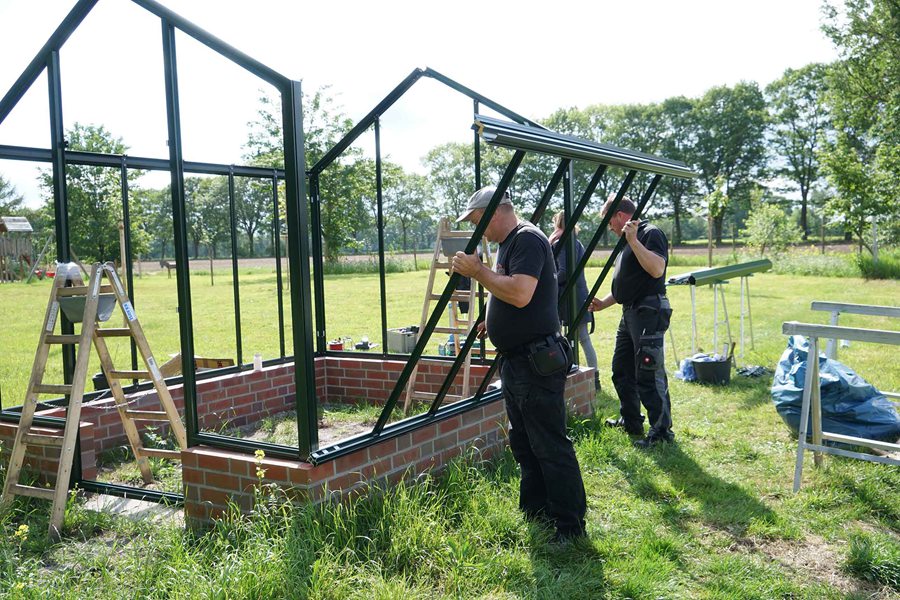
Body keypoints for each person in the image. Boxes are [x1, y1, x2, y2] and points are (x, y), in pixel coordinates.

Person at [452, 186, 587, 541]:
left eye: (478, 221)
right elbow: (507, 292)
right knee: (524, 442)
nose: (477, 230)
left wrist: (478, 271)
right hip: (518, 361)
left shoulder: (526, 238)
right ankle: (536, 512)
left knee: (549, 444)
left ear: (497, 211)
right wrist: (490, 318)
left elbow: (521, 292)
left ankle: (569, 526)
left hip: (535, 360)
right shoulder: (507, 244)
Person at [589, 196, 674, 448]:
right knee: (622, 370)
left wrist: (634, 241)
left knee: (648, 372)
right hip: (630, 313)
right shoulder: (628, 241)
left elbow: (657, 269)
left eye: (609, 221)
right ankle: (631, 421)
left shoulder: (649, 233)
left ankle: (661, 433)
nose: (609, 227)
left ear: (619, 215)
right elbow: (629, 282)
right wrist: (604, 302)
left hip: (648, 310)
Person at [548, 211, 600, 391]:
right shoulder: (576, 242)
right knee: (582, 339)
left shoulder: (561, 242)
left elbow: (564, 272)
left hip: (568, 296)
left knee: (573, 338)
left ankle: (587, 378)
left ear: (558, 222)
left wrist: (546, 282)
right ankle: (593, 378)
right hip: (578, 293)